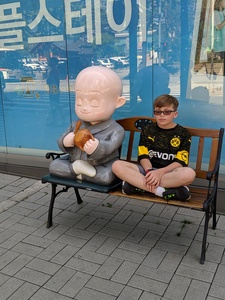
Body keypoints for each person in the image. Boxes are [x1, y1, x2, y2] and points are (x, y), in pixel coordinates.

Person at [49, 66, 126, 185]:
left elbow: (108, 148)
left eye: (94, 102)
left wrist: (96, 148)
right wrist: (65, 141)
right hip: (74, 161)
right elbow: (61, 140)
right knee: (54, 166)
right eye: (79, 101)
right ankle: (82, 172)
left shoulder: (116, 130)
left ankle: (80, 172)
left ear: (118, 102)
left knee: (107, 176)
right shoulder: (76, 125)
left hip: (102, 165)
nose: (84, 107)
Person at [112, 94, 196, 201]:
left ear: (175, 114)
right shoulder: (148, 130)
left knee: (189, 174)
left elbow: (180, 161)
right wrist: (149, 172)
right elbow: (143, 156)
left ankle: (137, 185)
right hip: (147, 170)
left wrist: (159, 173)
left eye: (166, 112)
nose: (162, 115)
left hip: (168, 173)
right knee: (116, 165)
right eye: (158, 111)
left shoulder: (183, 133)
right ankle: (161, 192)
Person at [46, 57, 61, 125]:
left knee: (55, 105)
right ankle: (55, 120)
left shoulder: (54, 71)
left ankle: (58, 120)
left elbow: (51, 81)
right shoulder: (54, 70)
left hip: (53, 89)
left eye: (50, 61)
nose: (49, 63)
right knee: (55, 105)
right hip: (54, 89)